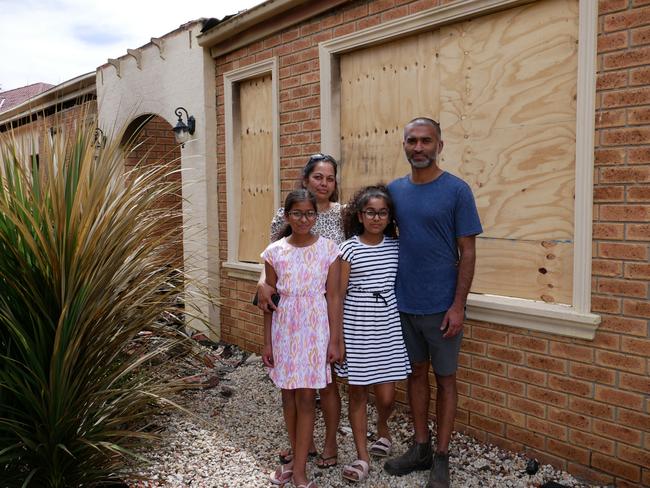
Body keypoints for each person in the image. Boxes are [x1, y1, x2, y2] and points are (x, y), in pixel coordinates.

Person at [383, 117, 482, 488]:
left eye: (426, 141)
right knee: (415, 375)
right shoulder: (394, 192)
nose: (419, 147)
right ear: (404, 145)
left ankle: (441, 456)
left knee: (446, 379)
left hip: (443, 307)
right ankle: (421, 446)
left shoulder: (457, 191)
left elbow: (468, 253)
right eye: (412, 141)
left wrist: (458, 305)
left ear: (439, 145)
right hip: (404, 304)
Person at [257, 154, 344, 469]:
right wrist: (262, 286)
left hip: (326, 308)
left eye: (329, 178)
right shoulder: (284, 215)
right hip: (292, 313)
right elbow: (273, 263)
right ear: (306, 179)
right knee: (295, 389)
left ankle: (330, 443)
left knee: (327, 382)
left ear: (335, 184)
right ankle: (299, 447)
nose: (324, 183)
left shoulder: (342, 215)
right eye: (318, 177)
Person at [335, 185, 412, 483]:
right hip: (357, 327)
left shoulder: (395, 246)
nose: (376, 218)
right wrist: (337, 337)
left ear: (389, 216)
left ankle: (382, 428)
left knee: (387, 395)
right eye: (371, 212)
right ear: (360, 215)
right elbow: (338, 296)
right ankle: (362, 455)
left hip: (388, 326)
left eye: (382, 212)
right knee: (357, 392)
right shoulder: (349, 248)